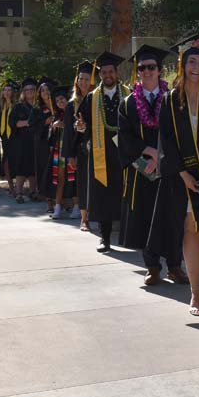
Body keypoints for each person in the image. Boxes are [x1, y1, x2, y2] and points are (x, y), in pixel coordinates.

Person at [151, 36, 199, 314]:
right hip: (184, 177)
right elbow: (166, 140)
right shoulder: (169, 100)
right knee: (192, 231)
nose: (196, 67)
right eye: (192, 61)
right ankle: (196, 293)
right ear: (182, 64)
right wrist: (182, 174)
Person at [117, 45, 186, 285]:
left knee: (172, 217)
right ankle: (152, 266)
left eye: (152, 67)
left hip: (169, 169)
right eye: (142, 67)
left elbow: (179, 134)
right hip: (141, 170)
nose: (147, 71)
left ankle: (175, 266)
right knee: (146, 218)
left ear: (159, 70)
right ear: (137, 72)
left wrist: (161, 157)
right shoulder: (127, 104)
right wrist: (149, 153)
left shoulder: (174, 99)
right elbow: (124, 137)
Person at [75, 52, 129, 252]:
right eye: (104, 72)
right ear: (99, 75)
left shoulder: (128, 94)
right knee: (103, 195)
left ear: (116, 73)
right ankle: (104, 239)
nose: (107, 75)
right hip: (101, 153)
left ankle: (129, 237)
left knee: (126, 193)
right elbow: (83, 124)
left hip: (124, 151)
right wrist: (81, 127)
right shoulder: (92, 97)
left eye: (111, 72)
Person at [64, 61, 93, 232]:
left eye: (87, 79)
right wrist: (70, 155)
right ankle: (84, 219)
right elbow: (68, 132)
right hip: (81, 149)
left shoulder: (97, 99)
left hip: (98, 147)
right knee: (82, 183)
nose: (83, 82)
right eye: (81, 78)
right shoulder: (71, 104)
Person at [48, 85, 77, 218]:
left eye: (62, 99)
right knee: (60, 180)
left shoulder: (74, 112)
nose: (60, 102)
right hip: (59, 152)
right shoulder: (56, 116)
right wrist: (54, 126)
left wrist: (65, 125)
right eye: (57, 100)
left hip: (72, 150)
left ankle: (77, 207)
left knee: (74, 179)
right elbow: (51, 137)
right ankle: (58, 207)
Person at [10, 78, 39, 202]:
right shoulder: (19, 107)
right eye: (26, 89)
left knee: (33, 167)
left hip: (36, 140)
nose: (29, 92)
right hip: (21, 141)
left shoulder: (39, 106)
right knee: (21, 168)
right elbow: (12, 123)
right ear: (23, 92)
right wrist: (27, 122)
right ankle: (19, 193)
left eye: (32, 89)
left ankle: (33, 192)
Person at [34, 79, 58, 211]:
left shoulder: (58, 105)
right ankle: (49, 202)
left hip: (57, 142)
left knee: (58, 171)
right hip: (42, 145)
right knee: (46, 172)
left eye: (47, 90)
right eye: (42, 91)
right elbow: (32, 126)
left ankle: (60, 201)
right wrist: (45, 122)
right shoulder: (37, 109)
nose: (45, 92)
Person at [0, 82, 16, 196]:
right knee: (6, 163)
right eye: (5, 90)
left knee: (14, 162)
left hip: (14, 137)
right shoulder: (1, 107)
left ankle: (17, 187)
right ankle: (11, 187)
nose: (7, 92)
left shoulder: (16, 106)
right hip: (4, 137)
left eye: (9, 90)